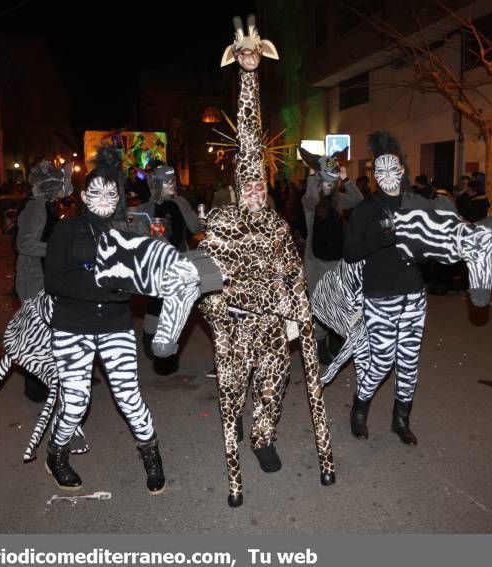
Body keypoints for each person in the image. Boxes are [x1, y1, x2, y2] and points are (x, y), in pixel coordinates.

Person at [198, 14, 334, 507]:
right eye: (247, 182)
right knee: (234, 388)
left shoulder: (278, 224)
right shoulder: (220, 224)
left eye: (261, 182)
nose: (255, 187)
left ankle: (262, 438)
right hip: (236, 327)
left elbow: (294, 272)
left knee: (274, 386)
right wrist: (248, 75)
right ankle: (235, 423)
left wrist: (300, 312)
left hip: (275, 326)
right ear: (238, 186)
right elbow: (202, 282)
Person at [42, 144, 165, 494]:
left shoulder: (127, 230)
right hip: (72, 325)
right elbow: (53, 280)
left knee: (129, 395)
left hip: (115, 324)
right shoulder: (67, 230)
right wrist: (99, 282)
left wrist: (154, 270)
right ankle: (57, 453)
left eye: (112, 192)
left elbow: (134, 282)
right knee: (77, 401)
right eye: (97, 191)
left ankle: (151, 452)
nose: (105, 198)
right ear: (84, 195)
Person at [344, 130, 425, 446]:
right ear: (374, 175)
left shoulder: (415, 205)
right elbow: (350, 253)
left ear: (402, 171)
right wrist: (381, 238)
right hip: (380, 295)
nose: (386, 176)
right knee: (381, 361)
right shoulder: (365, 209)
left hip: (414, 294)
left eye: (393, 170)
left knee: (409, 362)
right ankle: (359, 410)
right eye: (380, 171)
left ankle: (401, 420)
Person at [15, 160, 73, 402]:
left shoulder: (47, 206)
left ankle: (53, 382)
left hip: (44, 277)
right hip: (33, 279)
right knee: (36, 334)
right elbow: (25, 244)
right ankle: (36, 390)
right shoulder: (36, 208)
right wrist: (57, 249)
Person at [134, 165, 202, 372]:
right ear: (156, 184)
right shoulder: (144, 209)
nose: (172, 184)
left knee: (179, 308)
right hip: (157, 266)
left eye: (173, 181)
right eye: (167, 181)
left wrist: (198, 216)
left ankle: (169, 351)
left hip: (180, 263)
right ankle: (149, 334)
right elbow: (140, 240)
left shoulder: (180, 202)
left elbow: (195, 228)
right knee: (157, 304)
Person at [299, 147, 364, 363]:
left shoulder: (339, 201)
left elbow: (358, 200)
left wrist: (346, 179)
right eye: (324, 181)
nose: (328, 185)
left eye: (331, 181)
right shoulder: (311, 204)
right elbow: (309, 195)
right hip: (315, 263)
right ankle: (319, 344)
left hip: (336, 263)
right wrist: (312, 174)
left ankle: (336, 341)